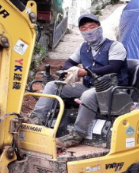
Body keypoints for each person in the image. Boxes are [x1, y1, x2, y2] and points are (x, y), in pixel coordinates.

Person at [29, 13, 129, 148]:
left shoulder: (115, 46)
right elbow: (68, 63)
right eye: (84, 29)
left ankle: (77, 134)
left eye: (91, 27)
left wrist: (84, 72)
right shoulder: (83, 47)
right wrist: (73, 71)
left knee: (87, 95)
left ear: (99, 28)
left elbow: (113, 68)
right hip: (90, 86)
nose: (88, 31)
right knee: (53, 85)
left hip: (112, 89)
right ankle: (36, 120)